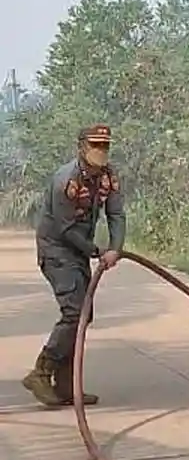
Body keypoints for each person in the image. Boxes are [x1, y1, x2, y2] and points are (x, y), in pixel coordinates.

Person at [23, 124, 125, 408]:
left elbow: (116, 214)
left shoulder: (108, 177)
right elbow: (65, 227)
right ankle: (41, 371)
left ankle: (66, 386)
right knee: (75, 312)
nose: (101, 150)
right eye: (95, 145)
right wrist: (95, 251)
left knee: (82, 315)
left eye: (105, 145)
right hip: (56, 249)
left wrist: (116, 248)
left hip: (77, 252)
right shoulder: (65, 179)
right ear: (82, 147)